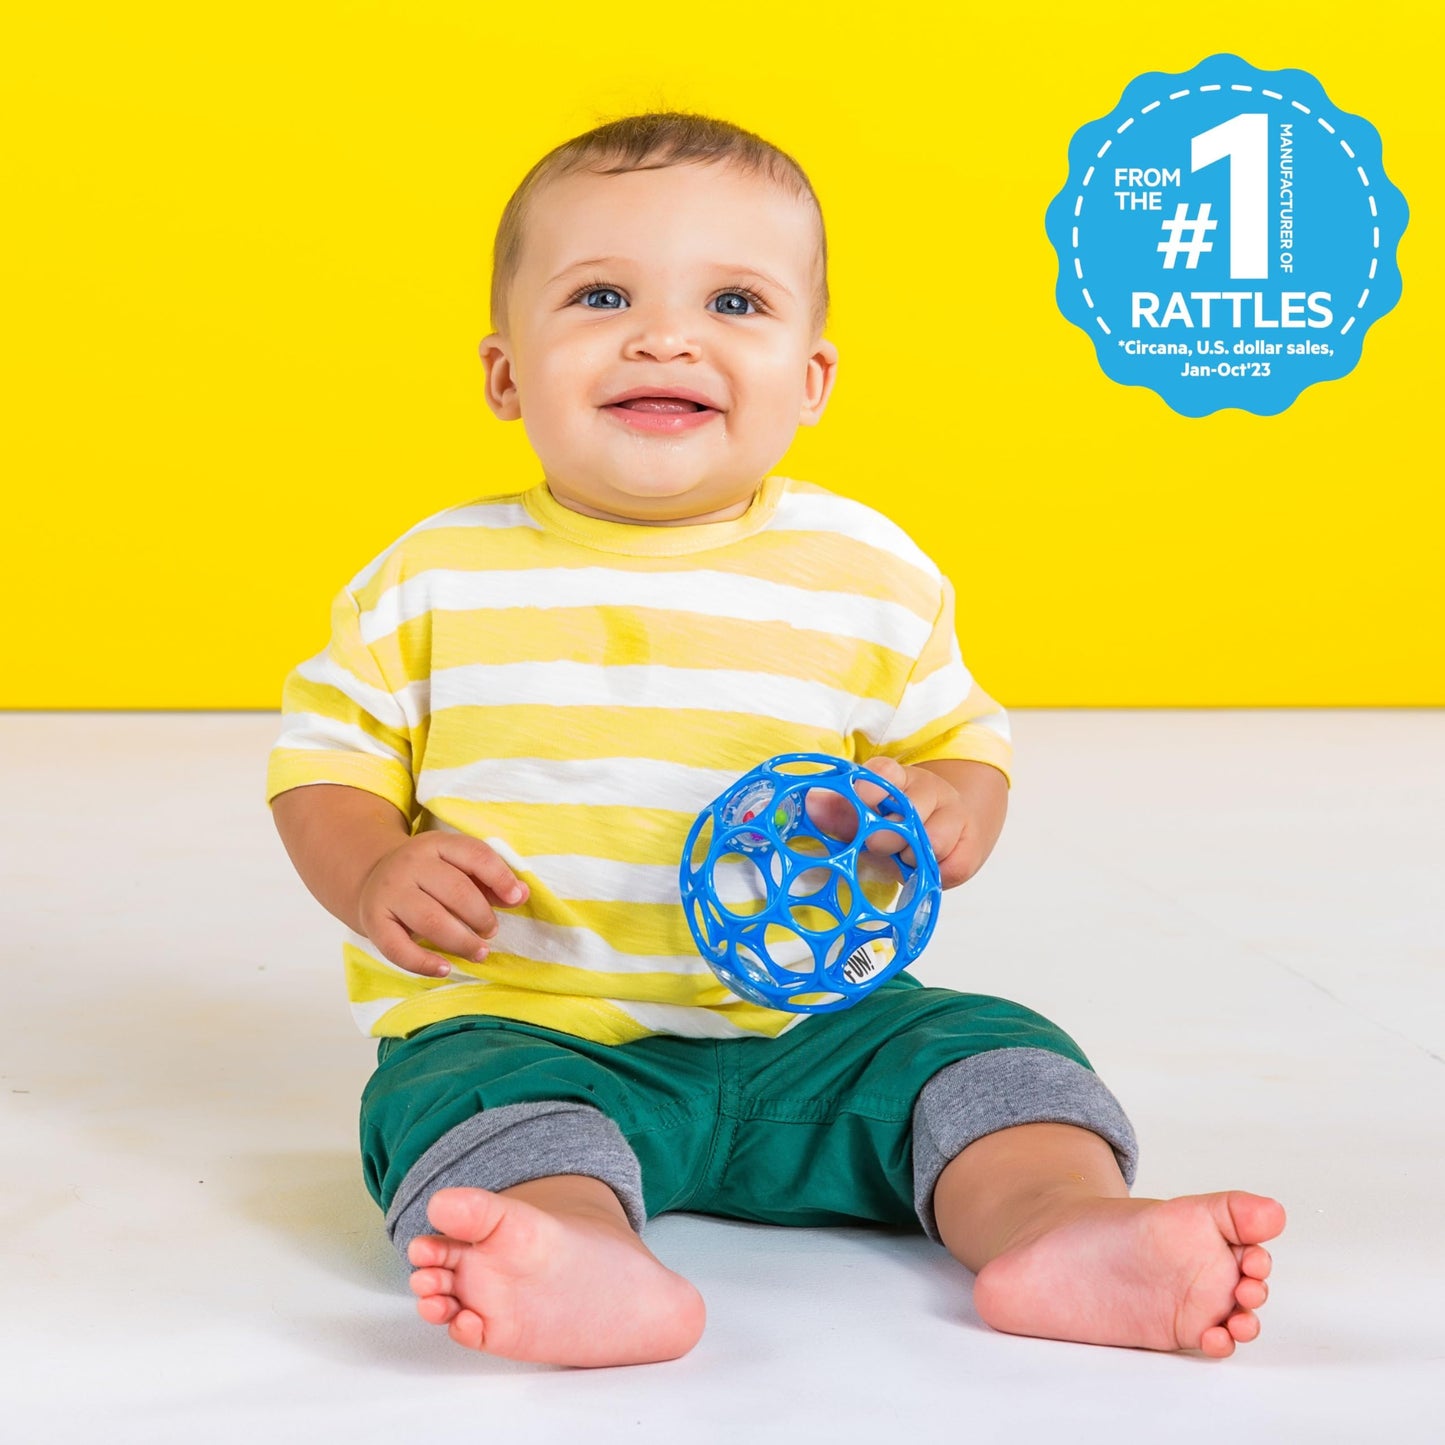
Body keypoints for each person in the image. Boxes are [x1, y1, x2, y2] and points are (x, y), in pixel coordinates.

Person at [266, 110, 1285, 1369]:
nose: (664, 336)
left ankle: (1058, 1223)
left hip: (822, 1030)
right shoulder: (428, 578)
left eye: (734, 302)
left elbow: (959, 740)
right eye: (599, 295)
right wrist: (372, 865)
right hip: (528, 1022)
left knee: (995, 1058)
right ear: (505, 373)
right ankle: (574, 1244)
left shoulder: (865, 571)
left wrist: (947, 804)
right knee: (459, 1105)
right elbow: (325, 764)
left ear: (810, 379)